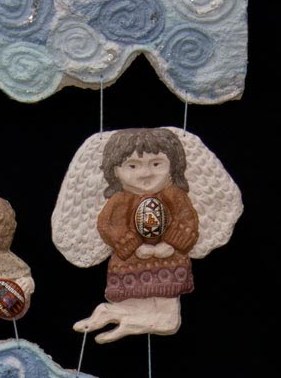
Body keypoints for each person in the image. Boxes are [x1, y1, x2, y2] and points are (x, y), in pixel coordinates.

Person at [74, 126, 199, 342]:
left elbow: (186, 220)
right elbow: (109, 225)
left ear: (173, 165)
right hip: (132, 260)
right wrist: (134, 246)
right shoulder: (120, 201)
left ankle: (113, 315)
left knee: (167, 312)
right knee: (139, 303)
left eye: (156, 164)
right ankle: (113, 314)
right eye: (132, 166)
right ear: (115, 170)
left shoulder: (175, 196)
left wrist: (171, 243)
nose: (145, 173)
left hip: (169, 260)